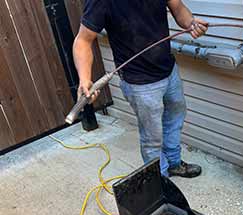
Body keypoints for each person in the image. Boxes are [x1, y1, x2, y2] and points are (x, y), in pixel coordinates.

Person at [73, 0, 208, 178]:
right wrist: (84, 79)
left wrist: (191, 23)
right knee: (152, 138)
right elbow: (83, 41)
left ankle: (174, 163)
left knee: (175, 120)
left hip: (168, 70)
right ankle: (159, 180)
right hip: (140, 83)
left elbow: (178, 8)